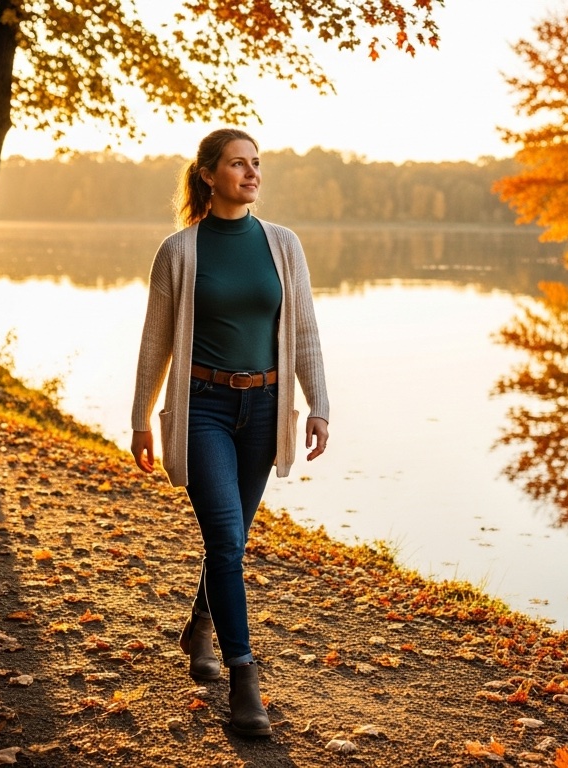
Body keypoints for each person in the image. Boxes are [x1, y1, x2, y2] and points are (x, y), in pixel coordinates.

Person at [129, 128, 330, 737]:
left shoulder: (283, 245)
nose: (251, 173)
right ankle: (245, 679)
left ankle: (200, 626)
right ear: (209, 175)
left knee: (231, 540)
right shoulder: (179, 251)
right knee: (224, 537)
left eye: (256, 164)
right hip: (204, 410)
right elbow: (156, 340)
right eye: (238, 164)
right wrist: (141, 415)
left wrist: (319, 402)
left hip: (265, 410)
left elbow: (305, 331)